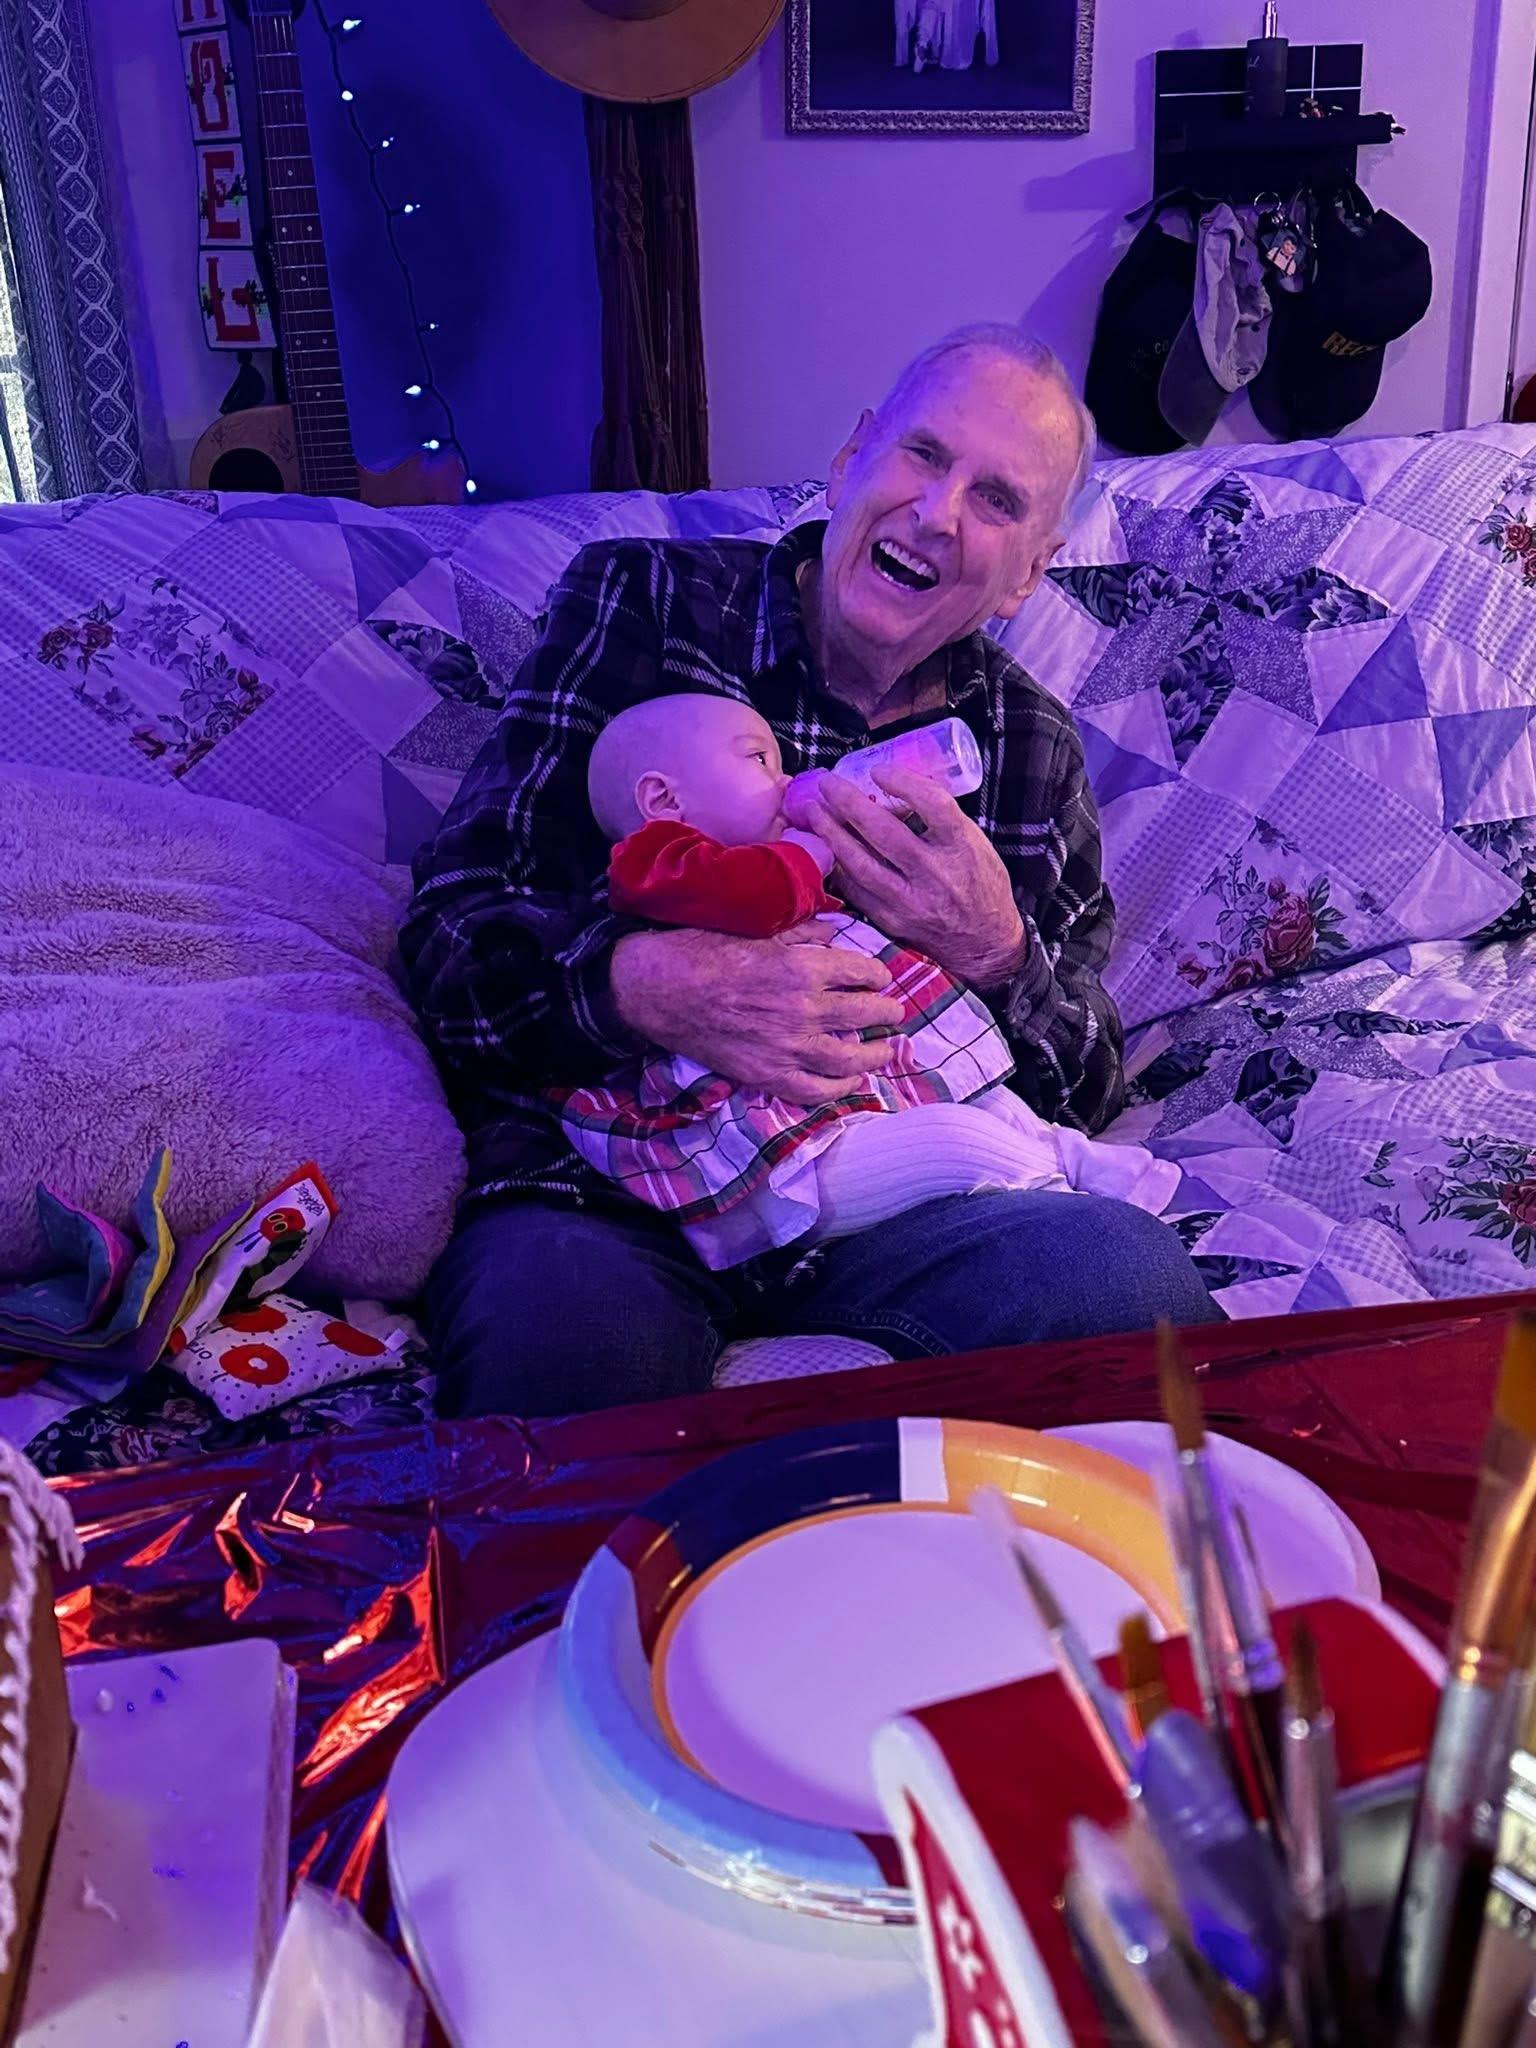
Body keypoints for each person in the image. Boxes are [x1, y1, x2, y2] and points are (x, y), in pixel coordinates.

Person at [402, 323, 1221, 1419]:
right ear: (850, 461)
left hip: (900, 1204)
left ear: (1030, 574)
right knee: (567, 1351)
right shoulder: (643, 604)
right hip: (610, 1191)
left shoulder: (1026, 745)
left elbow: (1087, 1080)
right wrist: (655, 986)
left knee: (1134, 1289)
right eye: (924, 456)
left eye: (998, 500)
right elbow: (453, 935)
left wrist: (999, 948)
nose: (937, 514)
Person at [557, 691, 1179, 1271]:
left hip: (856, 1097)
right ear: (664, 801)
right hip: (774, 1154)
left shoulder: (1028, 728)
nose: (783, 782)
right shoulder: (656, 863)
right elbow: (757, 896)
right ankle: (1058, 1187)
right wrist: (814, 848)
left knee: (989, 1102)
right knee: (959, 1142)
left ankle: (1060, 1159)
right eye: (758, 761)